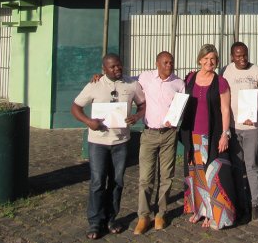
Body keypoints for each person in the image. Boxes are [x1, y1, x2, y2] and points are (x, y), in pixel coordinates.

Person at [71, 53, 145, 240]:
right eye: (112, 67)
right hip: (98, 142)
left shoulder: (131, 84)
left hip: (121, 142)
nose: (117, 69)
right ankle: (95, 222)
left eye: (119, 65)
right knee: (97, 182)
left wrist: (136, 117)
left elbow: (143, 105)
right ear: (104, 69)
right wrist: (89, 122)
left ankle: (111, 218)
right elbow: (75, 107)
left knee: (117, 181)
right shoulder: (94, 85)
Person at [179, 44, 236, 229]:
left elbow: (225, 109)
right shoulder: (190, 78)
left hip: (211, 136)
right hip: (192, 134)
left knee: (211, 175)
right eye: (206, 58)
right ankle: (198, 210)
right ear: (200, 60)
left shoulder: (220, 82)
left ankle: (211, 213)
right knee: (195, 175)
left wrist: (224, 134)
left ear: (216, 61)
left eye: (213, 59)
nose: (209, 62)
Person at [133, 51, 185, 235]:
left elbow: (181, 107)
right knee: (145, 178)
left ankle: (161, 213)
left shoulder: (179, 83)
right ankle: (143, 216)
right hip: (149, 134)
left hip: (169, 134)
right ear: (157, 63)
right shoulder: (145, 77)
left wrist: (176, 119)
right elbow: (123, 81)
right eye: (165, 62)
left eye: (171, 62)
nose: (168, 65)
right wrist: (100, 77)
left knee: (167, 176)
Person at [221, 41, 258, 222]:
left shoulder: (257, 71)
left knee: (253, 166)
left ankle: (255, 205)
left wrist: (257, 112)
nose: (242, 59)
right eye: (238, 56)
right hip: (233, 127)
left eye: (245, 55)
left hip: (252, 128)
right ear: (232, 56)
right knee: (237, 167)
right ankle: (240, 205)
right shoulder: (226, 71)